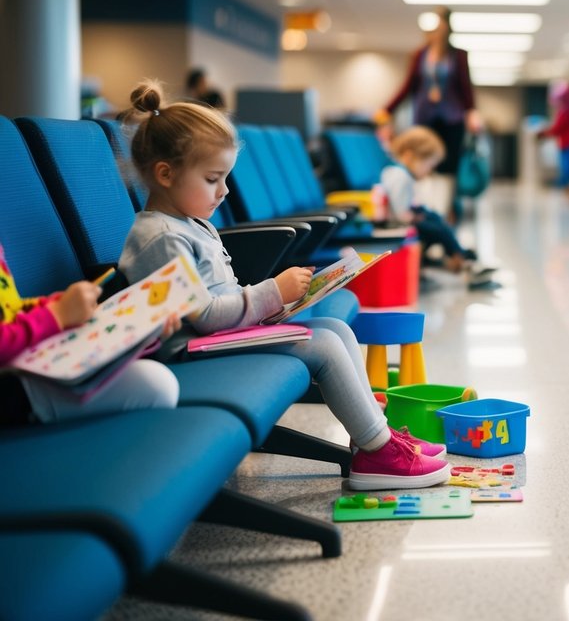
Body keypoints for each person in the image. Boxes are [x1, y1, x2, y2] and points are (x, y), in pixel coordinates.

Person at [117, 80, 451, 490]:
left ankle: (376, 437)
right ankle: (378, 453)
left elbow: (219, 297)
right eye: (212, 179)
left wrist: (274, 307)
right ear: (165, 174)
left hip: (218, 336)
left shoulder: (187, 223)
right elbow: (202, 316)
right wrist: (271, 293)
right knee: (324, 345)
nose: (223, 191)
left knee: (337, 329)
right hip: (189, 351)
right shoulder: (162, 238)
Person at [1, 242, 180, 424]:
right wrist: (57, 314)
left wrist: (55, 305)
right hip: (12, 386)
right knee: (156, 385)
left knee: (154, 382)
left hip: (28, 360)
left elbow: (11, 311)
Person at [378, 7, 482, 222]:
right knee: (422, 163)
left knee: (448, 166)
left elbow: (465, 87)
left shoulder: (458, 55)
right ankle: (424, 206)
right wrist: (387, 109)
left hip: (452, 118)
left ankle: (445, 209)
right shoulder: (419, 55)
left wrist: (472, 112)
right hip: (426, 118)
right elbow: (408, 86)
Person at [382, 126, 495, 288]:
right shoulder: (399, 175)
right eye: (428, 165)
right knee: (438, 228)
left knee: (435, 219)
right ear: (409, 156)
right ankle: (462, 259)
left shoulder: (399, 173)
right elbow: (400, 214)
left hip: (404, 219)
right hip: (397, 224)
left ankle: (461, 256)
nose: (428, 171)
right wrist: (415, 217)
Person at [539, 80, 569, 189]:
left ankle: (567, 185)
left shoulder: (567, 112)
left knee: (568, 167)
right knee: (566, 166)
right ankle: (565, 184)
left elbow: (558, 128)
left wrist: (544, 133)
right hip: (567, 143)